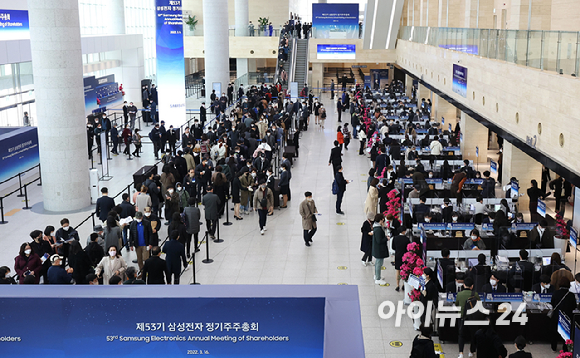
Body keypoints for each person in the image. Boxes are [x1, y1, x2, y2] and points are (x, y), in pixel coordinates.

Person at [550, 278, 576, 352]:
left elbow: (552, 303)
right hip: (567, 316)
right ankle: (565, 348)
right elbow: (574, 306)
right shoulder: (571, 295)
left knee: (554, 332)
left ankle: (554, 347)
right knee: (566, 333)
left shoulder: (555, 293)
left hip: (556, 315)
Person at [456, 277, 480, 358]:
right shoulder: (475, 294)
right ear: (472, 286)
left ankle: (461, 353)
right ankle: (471, 351)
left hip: (462, 317)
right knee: (473, 335)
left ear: (464, 285)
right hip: (472, 318)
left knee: (461, 335)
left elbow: (456, 304)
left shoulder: (459, 294)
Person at [372, 214, 389, 285]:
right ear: (381, 220)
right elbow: (379, 240)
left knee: (378, 263)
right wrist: (386, 238)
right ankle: (378, 278)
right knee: (379, 263)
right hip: (379, 249)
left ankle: (377, 275)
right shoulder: (378, 229)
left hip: (378, 249)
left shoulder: (377, 227)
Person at [392, 227, 411, 292]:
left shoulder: (395, 238)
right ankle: (403, 284)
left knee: (398, 270)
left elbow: (393, 247)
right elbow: (409, 248)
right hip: (405, 256)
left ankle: (397, 285)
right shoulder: (407, 239)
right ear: (403, 231)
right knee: (404, 271)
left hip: (397, 256)